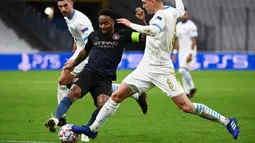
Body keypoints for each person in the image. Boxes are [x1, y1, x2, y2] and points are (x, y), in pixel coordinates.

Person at [72, 0, 240, 140]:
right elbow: (175, 13)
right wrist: (144, 20)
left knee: (186, 107)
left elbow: (153, 30)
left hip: (161, 69)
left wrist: (131, 24)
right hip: (145, 67)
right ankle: (92, 129)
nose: (144, 6)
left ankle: (226, 121)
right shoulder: (172, 11)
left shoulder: (160, 15)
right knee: (116, 96)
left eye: (145, 2)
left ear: (153, 1)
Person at [44, 8, 148, 134]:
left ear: (113, 22)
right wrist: (73, 64)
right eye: (100, 24)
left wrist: (142, 21)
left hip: (105, 78)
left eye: (106, 23)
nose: (103, 26)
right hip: (89, 72)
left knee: (103, 105)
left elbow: (144, 36)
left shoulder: (123, 35)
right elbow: (85, 52)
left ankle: (88, 129)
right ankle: (56, 119)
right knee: (72, 93)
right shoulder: (94, 36)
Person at [172, 8, 197, 98]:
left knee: (182, 70)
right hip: (181, 52)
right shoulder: (178, 25)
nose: (184, 16)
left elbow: (194, 40)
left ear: (188, 15)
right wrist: (175, 52)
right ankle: (186, 92)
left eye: (185, 14)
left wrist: (191, 53)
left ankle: (192, 87)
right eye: (182, 14)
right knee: (184, 71)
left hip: (189, 50)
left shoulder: (191, 26)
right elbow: (177, 40)